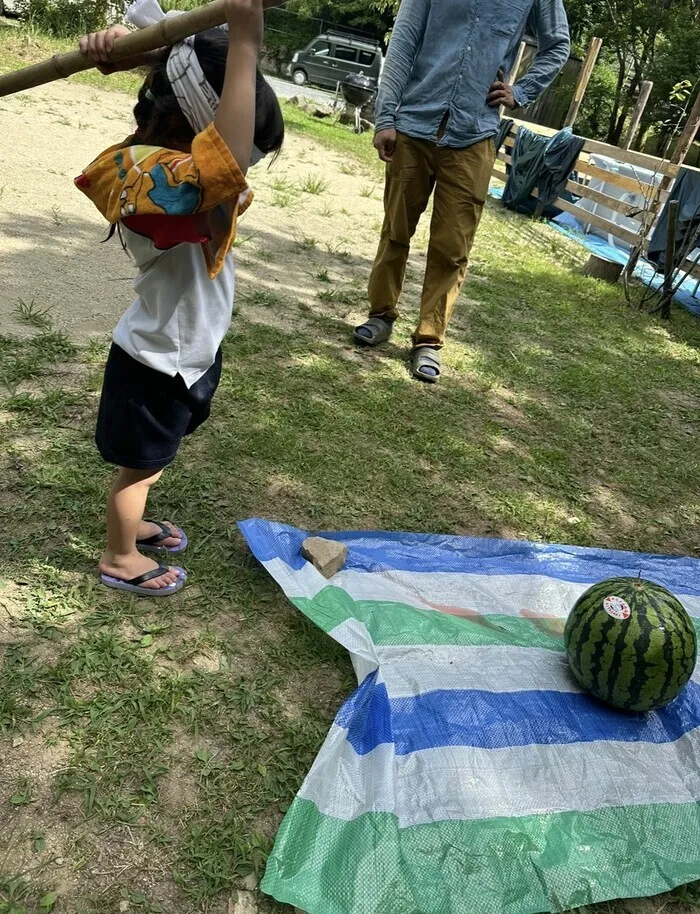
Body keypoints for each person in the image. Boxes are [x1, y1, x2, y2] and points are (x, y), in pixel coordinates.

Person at [75, 0, 284, 596]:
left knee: (154, 457)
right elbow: (225, 165)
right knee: (139, 467)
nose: (248, 167)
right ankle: (120, 555)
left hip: (185, 352)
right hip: (155, 360)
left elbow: (192, 82)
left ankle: (133, 523)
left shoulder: (181, 171)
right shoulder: (150, 176)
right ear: (198, 129)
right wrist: (245, 41)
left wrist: (137, 55)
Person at [354, 0, 570, 383]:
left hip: (474, 133)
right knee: (395, 231)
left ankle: (428, 339)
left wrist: (521, 91)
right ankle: (380, 315)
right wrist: (385, 117)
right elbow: (403, 42)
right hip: (414, 125)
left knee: (452, 248)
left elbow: (558, 45)